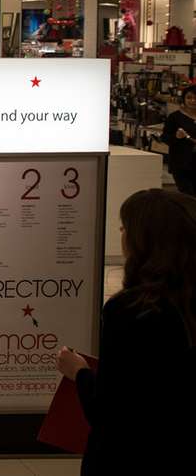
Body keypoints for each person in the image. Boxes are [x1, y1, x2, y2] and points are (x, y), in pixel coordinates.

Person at [57, 189, 196, 475]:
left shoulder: (131, 311)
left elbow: (110, 410)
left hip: (127, 457)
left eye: (125, 227)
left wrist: (80, 373)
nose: (120, 233)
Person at [161, 85, 196, 194]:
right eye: (189, 97)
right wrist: (176, 137)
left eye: (195, 98)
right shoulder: (175, 117)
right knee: (188, 195)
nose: (193, 101)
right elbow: (165, 137)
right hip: (181, 164)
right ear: (184, 99)